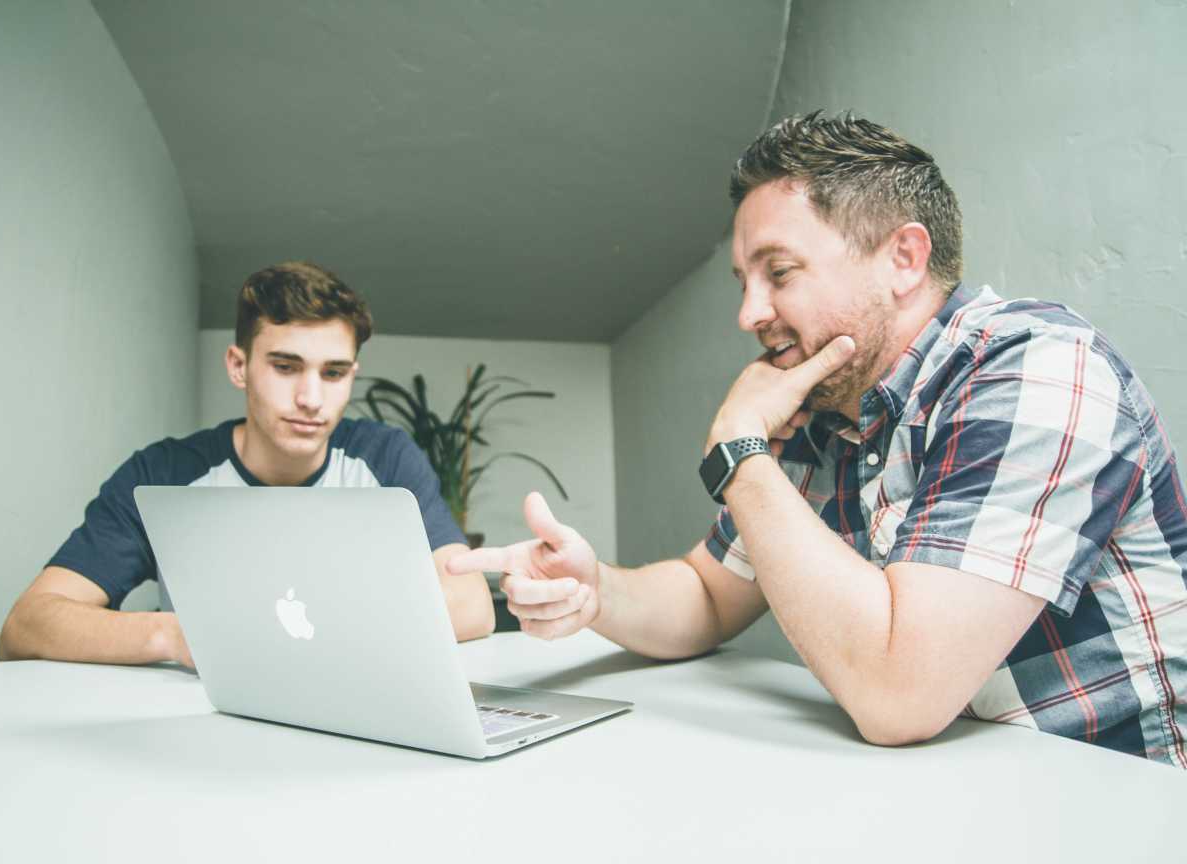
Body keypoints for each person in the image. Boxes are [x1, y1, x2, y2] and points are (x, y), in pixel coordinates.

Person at [450, 112, 1187, 766]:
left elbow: (900, 695)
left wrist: (740, 449)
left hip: (1118, 796)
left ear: (904, 258)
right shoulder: (830, 408)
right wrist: (596, 590)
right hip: (954, 784)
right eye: (744, 280)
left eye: (779, 273)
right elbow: (709, 594)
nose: (749, 312)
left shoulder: (1036, 368)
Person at [0, 261, 494, 667]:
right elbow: (27, 625)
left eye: (334, 373)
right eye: (285, 367)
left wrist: (300, 632)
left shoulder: (384, 458)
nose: (311, 398)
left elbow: (472, 606)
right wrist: (178, 637)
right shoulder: (164, 473)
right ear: (239, 366)